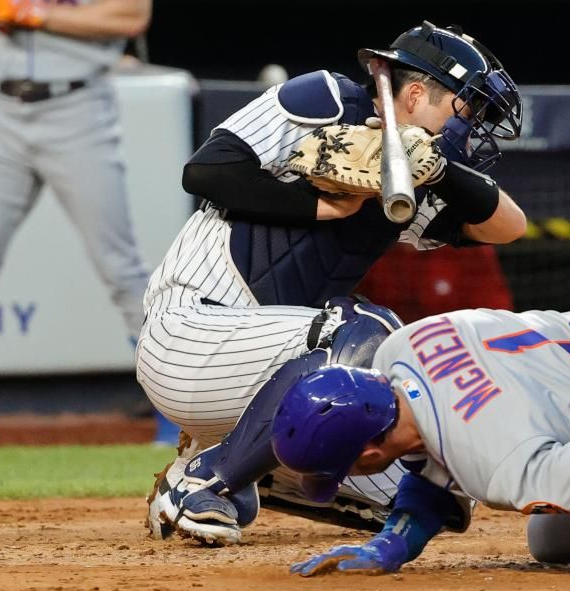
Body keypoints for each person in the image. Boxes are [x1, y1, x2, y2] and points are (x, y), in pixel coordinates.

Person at [141, 21, 526, 543]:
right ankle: (203, 480)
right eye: (466, 107)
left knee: (436, 494)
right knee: (368, 332)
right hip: (191, 332)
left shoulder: (408, 173)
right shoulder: (323, 98)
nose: (472, 124)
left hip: (261, 372)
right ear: (416, 92)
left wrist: (435, 171)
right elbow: (206, 171)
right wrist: (319, 203)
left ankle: (260, 470)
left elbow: (508, 226)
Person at [162, 289, 570, 570]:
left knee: (556, 540)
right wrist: (397, 541)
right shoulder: (403, 348)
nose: (347, 480)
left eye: (345, 468)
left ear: (366, 451)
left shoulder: (499, 464)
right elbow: (438, 451)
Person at [0, 0, 177, 448]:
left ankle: (176, 411)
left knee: (119, 267)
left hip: (76, 109)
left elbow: (132, 17)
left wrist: (36, 15)